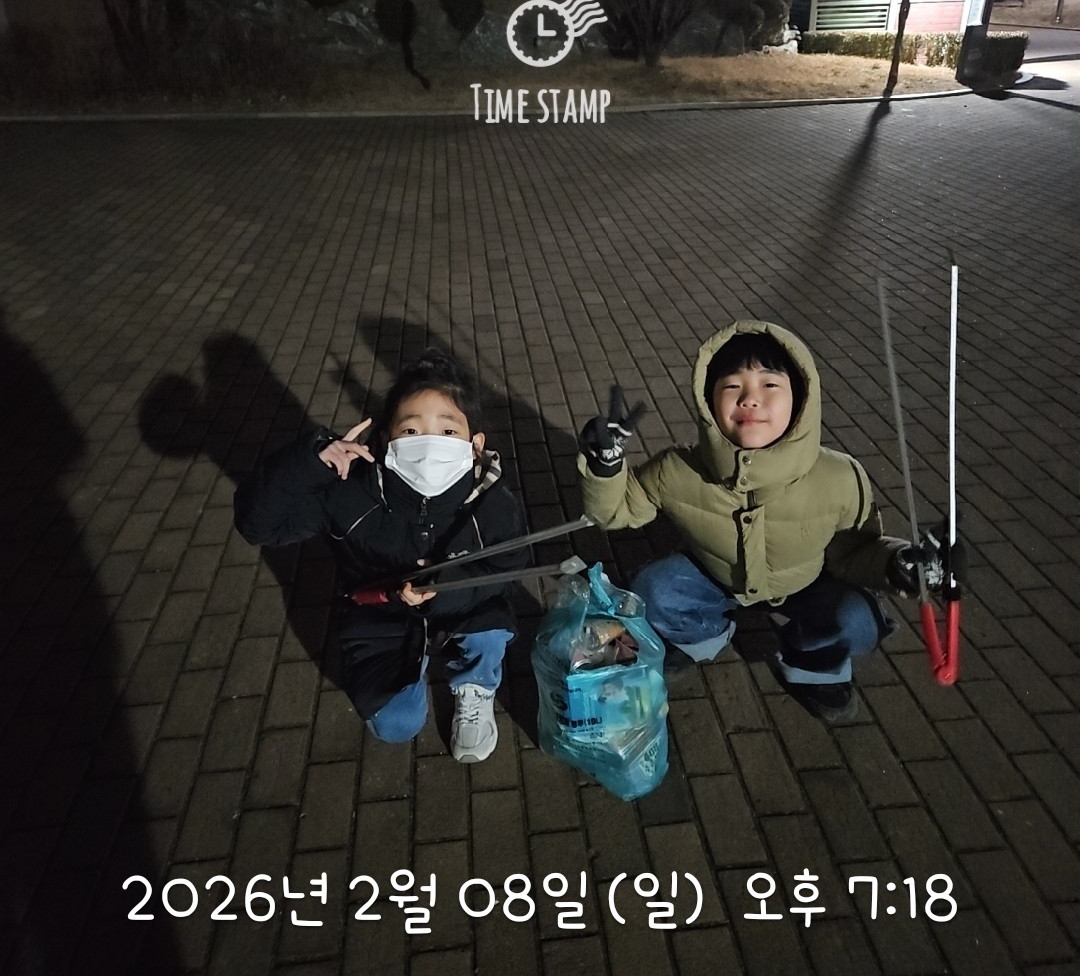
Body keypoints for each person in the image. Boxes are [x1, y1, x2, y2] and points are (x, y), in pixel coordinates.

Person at [576, 321, 957, 723]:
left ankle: (815, 666)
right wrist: (606, 467)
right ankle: (700, 633)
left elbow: (858, 551)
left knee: (859, 618)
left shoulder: (840, 477)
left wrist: (900, 564)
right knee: (653, 589)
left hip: (808, 581)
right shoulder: (678, 468)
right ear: (708, 401)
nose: (750, 399)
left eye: (770, 384)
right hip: (717, 575)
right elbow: (615, 511)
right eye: (732, 386)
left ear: (801, 399)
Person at [234, 348, 528, 762]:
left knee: (489, 632)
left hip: (466, 607)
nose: (429, 444)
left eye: (448, 431)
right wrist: (310, 463)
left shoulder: (492, 502)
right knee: (395, 723)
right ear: (386, 439)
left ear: (475, 444)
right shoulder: (349, 490)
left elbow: (507, 568)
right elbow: (257, 526)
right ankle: (411, 663)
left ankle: (475, 684)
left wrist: (451, 588)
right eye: (411, 430)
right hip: (378, 614)